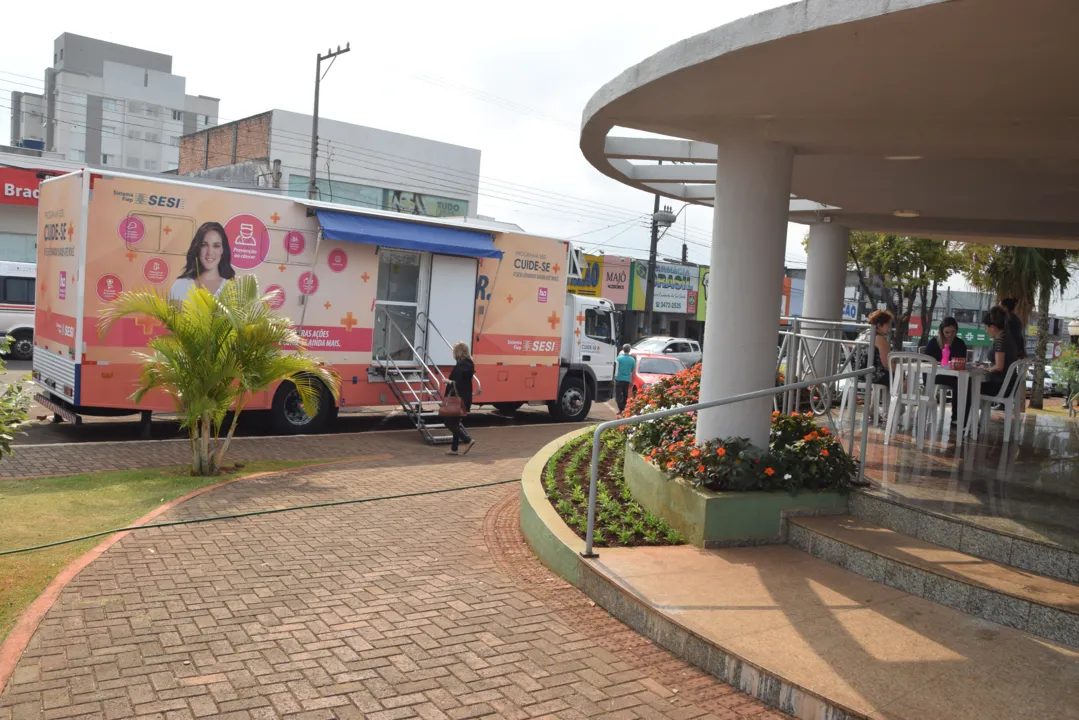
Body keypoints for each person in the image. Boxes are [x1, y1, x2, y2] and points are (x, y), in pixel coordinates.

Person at [967, 306, 1019, 416]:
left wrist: (987, 368)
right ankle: (976, 421)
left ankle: (966, 421)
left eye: (986, 328)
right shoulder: (1009, 338)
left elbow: (999, 366)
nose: (986, 331)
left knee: (969, 386)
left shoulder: (1000, 341)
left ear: (993, 327)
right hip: (1010, 385)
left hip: (1001, 386)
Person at [170, 222, 235, 302]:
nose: (210, 252)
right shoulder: (181, 285)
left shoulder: (232, 289)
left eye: (216, 246)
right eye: (204, 245)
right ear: (198, 248)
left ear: (222, 250)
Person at [923, 317, 968, 425]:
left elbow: (962, 361)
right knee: (959, 382)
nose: (950, 335)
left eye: (953, 332)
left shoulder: (960, 343)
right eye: (947, 332)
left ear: (956, 331)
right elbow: (926, 360)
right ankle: (958, 417)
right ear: (941, 331)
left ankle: (958, 418)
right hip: (935, 375)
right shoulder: (934, 342)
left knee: (964, 384)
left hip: (952, 375)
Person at [445, 342, 475, 456]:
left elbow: (458, 383)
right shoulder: (469, 364)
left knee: (448, 422)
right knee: (455, 422)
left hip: (457, 399)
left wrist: (448, 382)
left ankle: (467, 440)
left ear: (458, 352)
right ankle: (454, 449)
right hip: (465, 398)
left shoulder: (460, 365)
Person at [867, 310, 893, 389]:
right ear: (879, 325)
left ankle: (876, 401)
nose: (889, 327)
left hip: (857, 374)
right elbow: (886, 364)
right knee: (901, 377)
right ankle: (897, 401)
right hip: (872, 375)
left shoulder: (863, 334)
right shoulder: (879, 339)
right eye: (887, 324)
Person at [614, 344, 636, 413]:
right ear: (629, 350)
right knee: (625, 395)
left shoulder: (619, 358)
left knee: (618, 395)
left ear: (623, 350)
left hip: (618, 379)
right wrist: (632, 381)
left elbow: (615, 368)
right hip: (626, 380)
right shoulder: (632, 360)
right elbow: (633, 372)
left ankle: (621, 408)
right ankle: (623, 408)